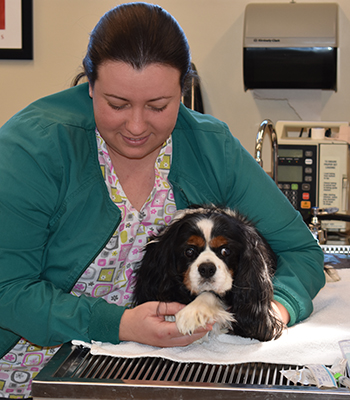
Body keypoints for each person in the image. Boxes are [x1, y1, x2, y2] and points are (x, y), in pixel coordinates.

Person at [0, 2, 324, 398]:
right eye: (117, 104)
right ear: (89, 85)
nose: (136, 127)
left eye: (158, 106)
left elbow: (303, 252)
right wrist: (119, 324)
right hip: (27, 368)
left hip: (155, 369)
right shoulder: (34, 147)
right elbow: (7, 291)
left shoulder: (210, 147)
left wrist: (272, 311)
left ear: (183, 91)